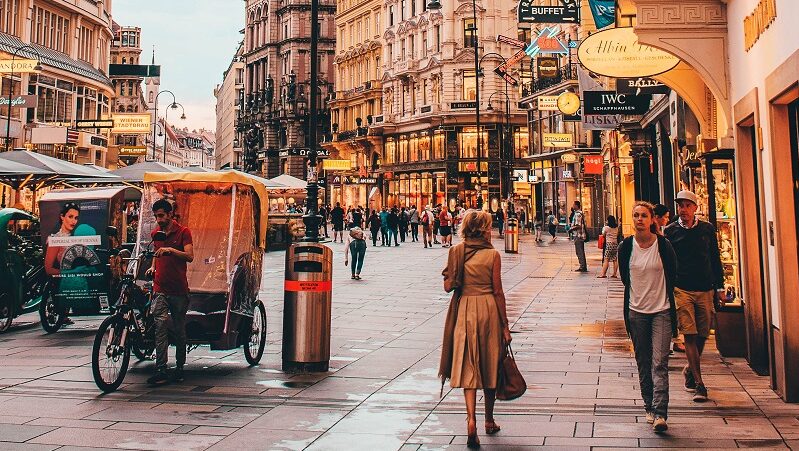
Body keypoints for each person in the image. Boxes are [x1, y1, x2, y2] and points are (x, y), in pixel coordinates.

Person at [440, 209, 512, 449]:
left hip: (465, 311)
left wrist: (453, 276)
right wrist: (505, 325)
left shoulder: (456, 251)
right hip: (489, 310)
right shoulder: (493, 255)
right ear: (483, 230)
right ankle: (489, 420)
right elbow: (498, 291)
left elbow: (448, 286)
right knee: (490, 363)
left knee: (469, 365)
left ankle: (471, 420)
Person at [618, 201, 678, 433]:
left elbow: (673, 273)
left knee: (659, 362)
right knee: (643, 362)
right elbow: (626, 278)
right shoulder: (626, 247)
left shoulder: (664, 246)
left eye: (644, 215)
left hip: (661, 311)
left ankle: (660, 412)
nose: (640, 219)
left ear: (652, 219)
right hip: (636, 312)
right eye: (636, 215)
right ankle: (649, 407)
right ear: (632, 220)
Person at [664, 190, 725, 402]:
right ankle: (699, 383)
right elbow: (668, 262)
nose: (683, 210)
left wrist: (719, 286)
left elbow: (715, 258)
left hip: (705, 288)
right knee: (689, 334)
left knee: (703, 334)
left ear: (695, 208)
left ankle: (690, 368)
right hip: (682, 289)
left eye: (687, 206)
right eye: (680, 206)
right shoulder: (670, 231)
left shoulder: (707, 229)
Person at [145, 199, 194, 385]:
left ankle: (180, 366)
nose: (159, 220)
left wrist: (171, 250)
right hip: (160, 288)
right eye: (156, 216)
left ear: (170, 214)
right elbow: (157, 254)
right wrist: (152, 266)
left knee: (179, 330)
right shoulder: (155, 234)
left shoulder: (183, 232)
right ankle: (161, 368)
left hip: (179, 289)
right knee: (160, 328)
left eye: (162, 216)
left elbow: (190, 256)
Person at [569, 201, 588, 272]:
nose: (573, 206)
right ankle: (583, 265)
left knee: (579, 251)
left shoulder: (577, 214)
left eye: (573, 205)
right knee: (581, 250)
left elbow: (578, 225)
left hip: (578, 234)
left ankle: (582, 266)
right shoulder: (580, 213)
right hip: (580, 234)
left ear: (576, 206)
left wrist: (571, 229)